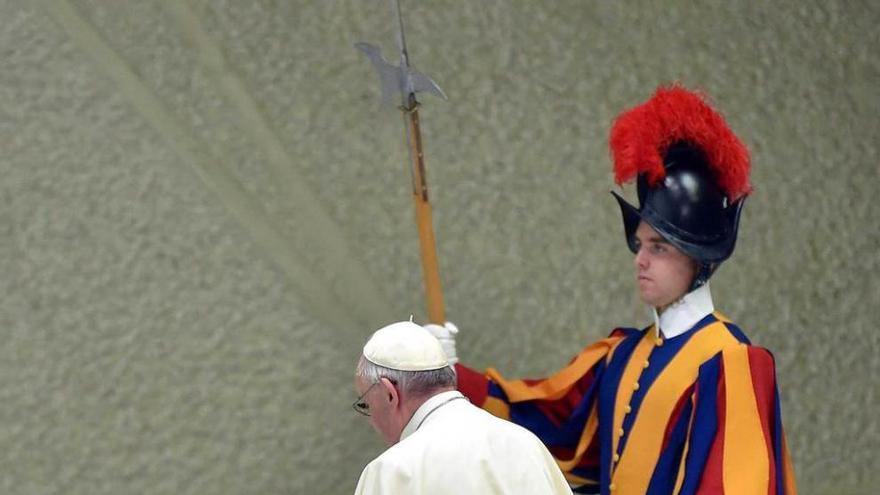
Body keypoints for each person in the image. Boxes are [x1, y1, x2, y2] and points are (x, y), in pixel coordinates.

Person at [427, 85, 798, 494]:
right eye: (640, 245)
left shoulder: (729, 362)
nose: (640, 259)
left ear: (698, 257)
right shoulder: (621, 355)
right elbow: (544, 425)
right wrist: (449, 376)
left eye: (659, 247)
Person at [352, 320, 573, 495]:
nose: (372, 421)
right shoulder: (525, 443)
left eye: (367, 404)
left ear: (390, 393)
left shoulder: (393, 471)